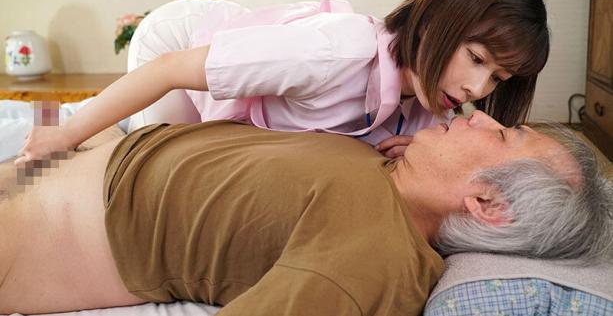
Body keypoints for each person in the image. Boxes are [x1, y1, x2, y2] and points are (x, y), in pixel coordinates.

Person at [1, 111, 612, 315]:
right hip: (66, 163)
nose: (479, 114)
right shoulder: (390, 171)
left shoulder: (372, 255)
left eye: (501, 134)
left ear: (486, 204)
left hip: (39, 227)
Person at [14, 0, 550, 165]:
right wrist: (67, 135)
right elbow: (170, 69)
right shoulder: (334, 54)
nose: (478, 87)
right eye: (476, 58)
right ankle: (54, 121)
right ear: (436, 21)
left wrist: (424, 153)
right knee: (136, 150)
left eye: (497, 77)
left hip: (260, 63)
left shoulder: (435, 105)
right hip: (178, 45)